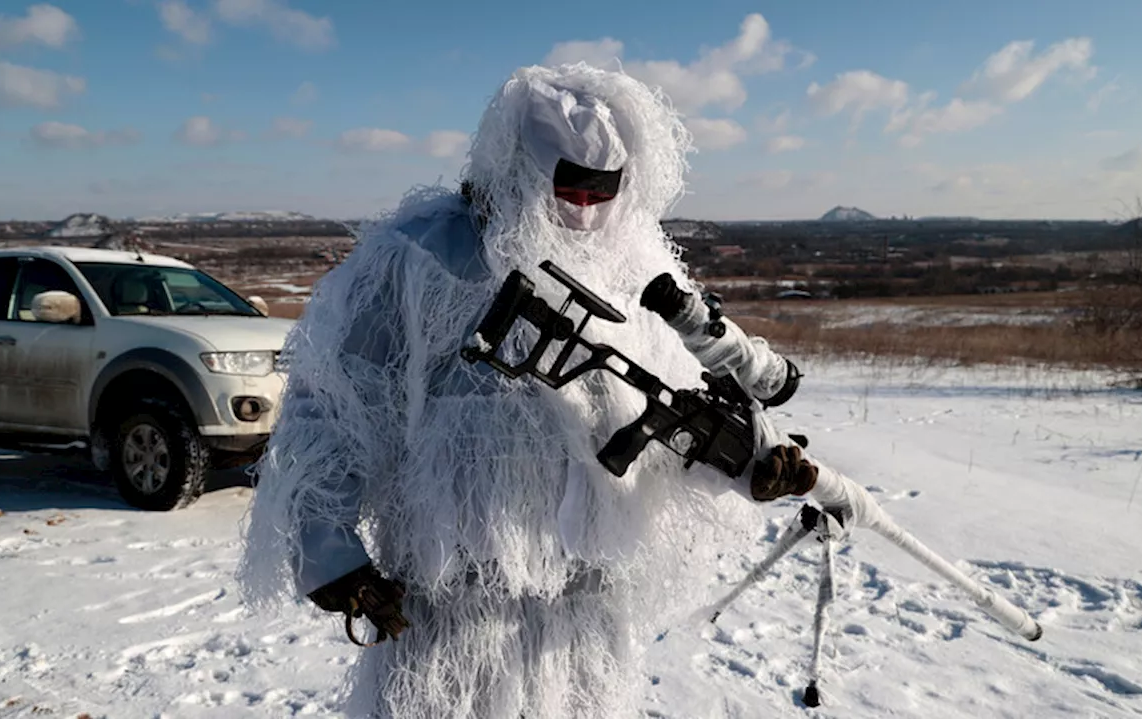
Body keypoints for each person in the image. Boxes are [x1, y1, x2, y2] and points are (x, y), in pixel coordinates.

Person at [236, 62, 830, 719]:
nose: (582, 208)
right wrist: (331, 551)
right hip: (452, 618)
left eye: (600, 190)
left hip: (586, 623)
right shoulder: (424, 257)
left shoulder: (640, 266)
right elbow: (340, 400)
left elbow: (686, 395)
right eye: (568, 186)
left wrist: (756, 460)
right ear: (519, 164)